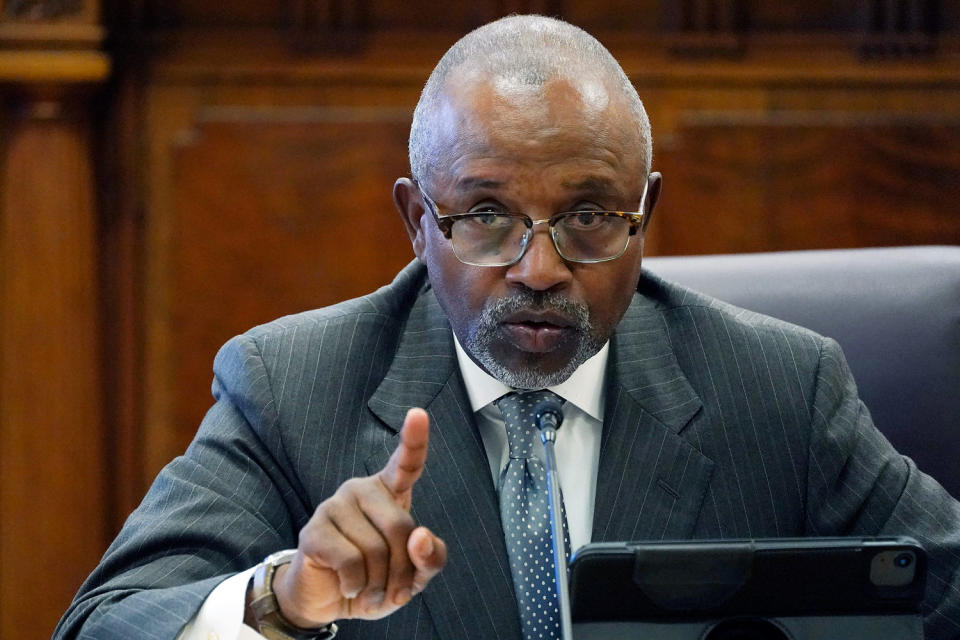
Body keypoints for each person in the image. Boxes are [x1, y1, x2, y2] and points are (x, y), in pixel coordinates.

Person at [55, 14, 960, 640]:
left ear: (647, 212)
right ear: (417, 222)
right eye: (485, 216)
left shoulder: (779, 390)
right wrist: (285, 600)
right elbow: (105, 622)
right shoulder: (292, 387)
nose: (539, 268)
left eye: (592, 217)